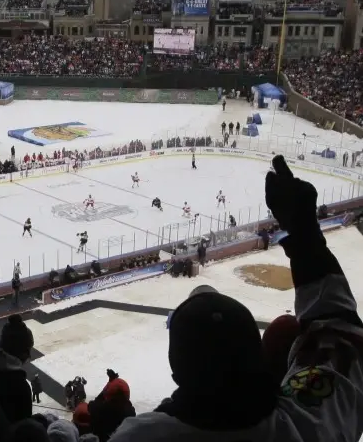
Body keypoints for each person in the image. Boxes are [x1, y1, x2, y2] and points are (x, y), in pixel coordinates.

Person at [111, 155, 363, 442]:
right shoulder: (307, 427)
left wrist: (305, 237)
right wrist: (306, 236)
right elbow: (342, 338)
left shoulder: (140, 437)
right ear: (259, 361)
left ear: (177, 372)